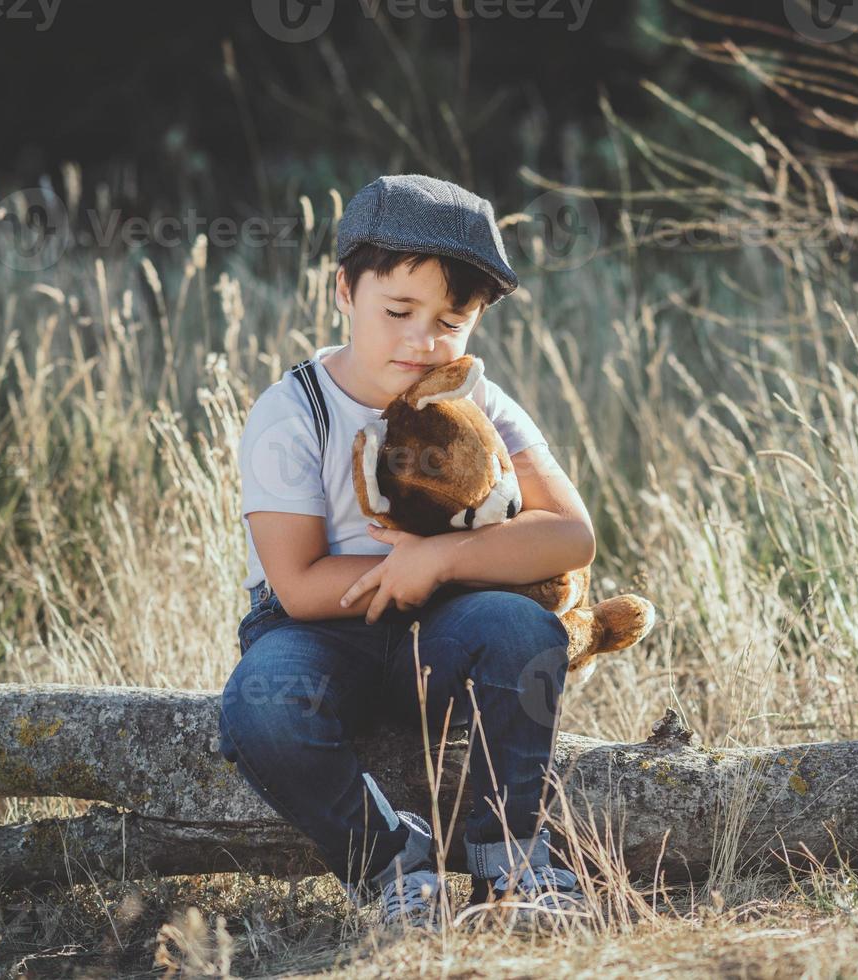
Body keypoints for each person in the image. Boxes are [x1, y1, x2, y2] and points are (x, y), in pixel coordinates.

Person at [216, 173, 594, 930]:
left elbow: (571, 535)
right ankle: (392, 860)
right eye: (399, 311)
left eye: (452, 321)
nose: (424, 340)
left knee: (523, 629)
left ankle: (513, 864)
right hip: (319, 635)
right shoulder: (295, 412)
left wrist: (441, 562)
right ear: (343, 292)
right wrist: (407, 567)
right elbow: (297, 583)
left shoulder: (478, 401)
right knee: (260, 708)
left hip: (447, 633)